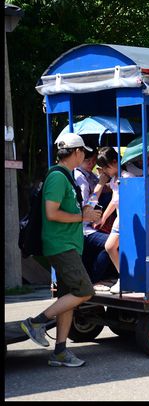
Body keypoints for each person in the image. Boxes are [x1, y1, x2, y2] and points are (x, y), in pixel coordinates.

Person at [20, 133, 102, 367]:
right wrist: (81, 216)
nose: (85, 156)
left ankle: (60, 352)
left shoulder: (66, 177)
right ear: (76, 152)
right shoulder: (58, 177)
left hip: (68, 245)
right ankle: (36, 323)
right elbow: (52, 213)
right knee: (85, 290)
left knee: (70, 296)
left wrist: (85, 211)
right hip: (61, 245)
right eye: (83, 152)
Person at [74, 147, 117, 286]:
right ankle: (93, 280)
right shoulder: (79, 177)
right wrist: (100, 184)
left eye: (93, 161)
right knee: (110, 246)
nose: (91, 164)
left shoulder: (90, 174)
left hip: (93, 224)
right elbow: (88, 207)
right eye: (88, 161)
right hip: (84, 227)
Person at [94, 147, 122, 294]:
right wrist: (103, 218)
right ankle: (124, 276)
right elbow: (114, 200)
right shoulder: (115, 179)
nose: (104, 170)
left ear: (115, 162)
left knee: (111, 247)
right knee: (110, 247)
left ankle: (124, 277)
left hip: (126, 219)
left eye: (106, 167)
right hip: (120, 219)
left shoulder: (126, 177)